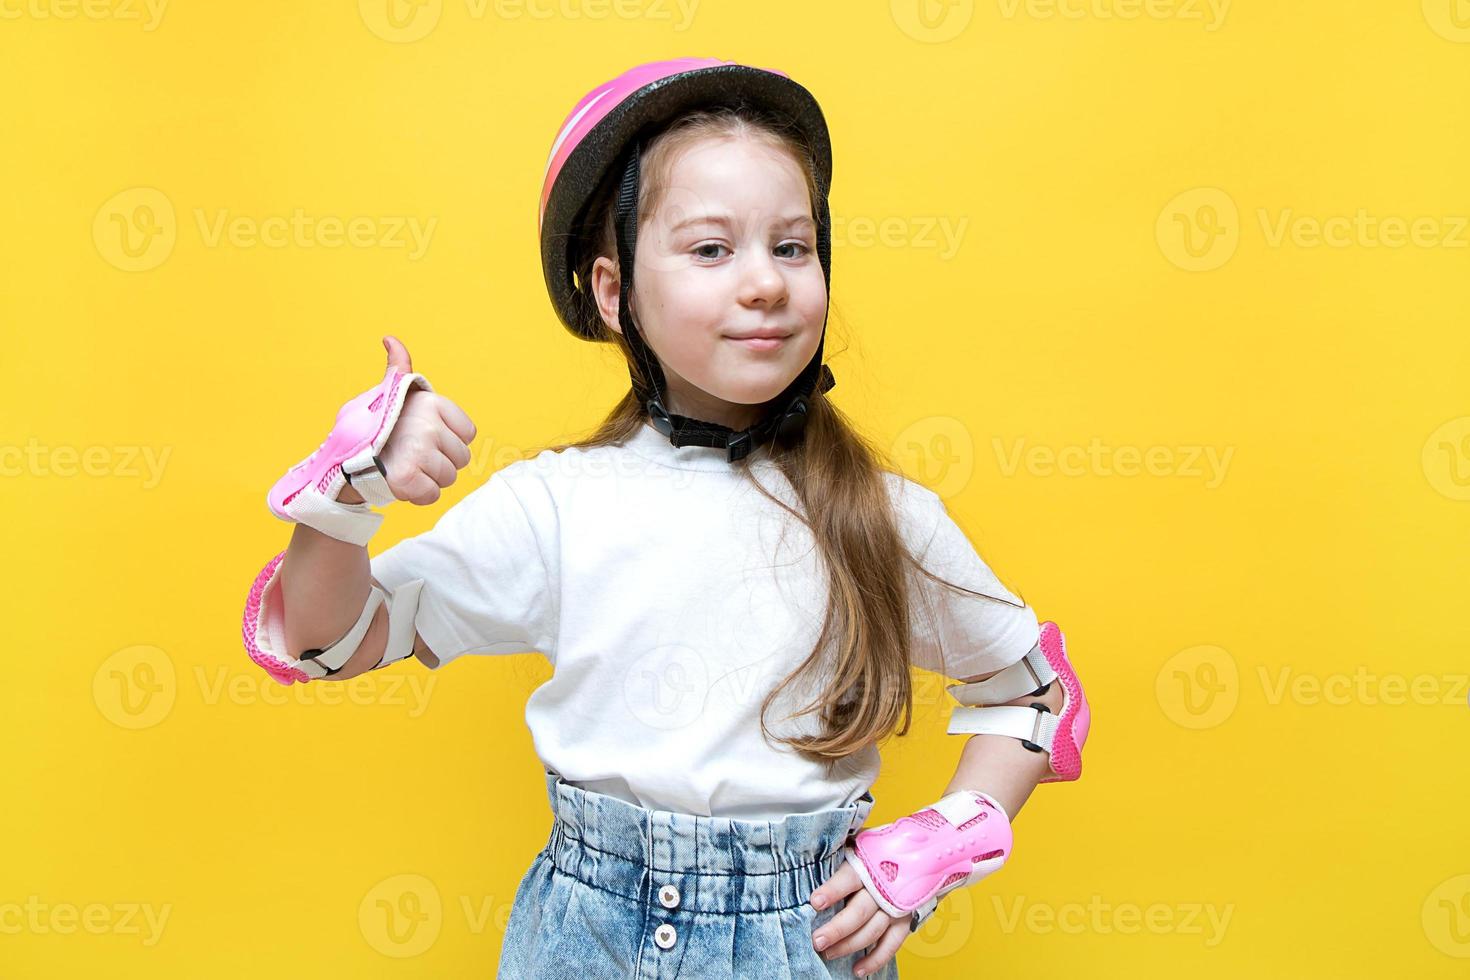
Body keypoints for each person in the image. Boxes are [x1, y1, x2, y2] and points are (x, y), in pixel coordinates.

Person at [243, 57, 1091, 979]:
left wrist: (945, 838)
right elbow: (331, 636)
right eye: (711, 250)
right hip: (585, 938)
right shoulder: (558, 506)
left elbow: (1036, 696)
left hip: (802, 937)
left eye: (793, 247)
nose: (765, 283)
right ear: (614, 294)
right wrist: (348, 490)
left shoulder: (881, 517)